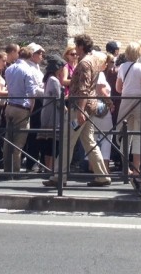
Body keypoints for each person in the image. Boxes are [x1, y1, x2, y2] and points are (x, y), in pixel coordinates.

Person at [44, 34, 110, 187]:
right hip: (89, 107)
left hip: (80, 108)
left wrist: (80, 110)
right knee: (89, 142)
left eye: (76, 45)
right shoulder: (94, 60)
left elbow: (84, 88)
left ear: (81, 46)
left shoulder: (85, 63)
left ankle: (59, 176)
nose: (75, 49)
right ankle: (102, 176)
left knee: (67, 140)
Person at [3, 44, 44, 174]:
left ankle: (6, 169)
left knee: (8, 139)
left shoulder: (9, 69)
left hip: (9, 106)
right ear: (31, 56)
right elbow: (31, 92)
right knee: (19, 142)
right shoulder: (28, 70)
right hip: (22, 107)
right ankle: (14, 171)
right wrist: (31, 107)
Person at [116, 40, 141, 185]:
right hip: (139, 102)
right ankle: (136, 170)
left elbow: (118, 88)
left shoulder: (122, 67)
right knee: (139, 135)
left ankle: (125, 168)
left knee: (124, 134)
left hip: (125, 100)